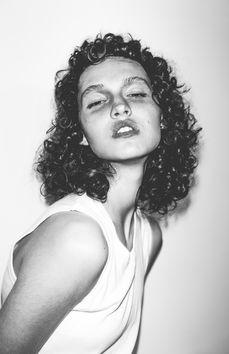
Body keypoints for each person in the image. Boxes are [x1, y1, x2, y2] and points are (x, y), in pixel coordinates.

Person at [0, 33, 201, 353]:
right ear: (80, 133)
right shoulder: (77, 239)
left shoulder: (148, 235)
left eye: (136, 93)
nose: (120, 107)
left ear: (162, 117)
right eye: (97, 101)